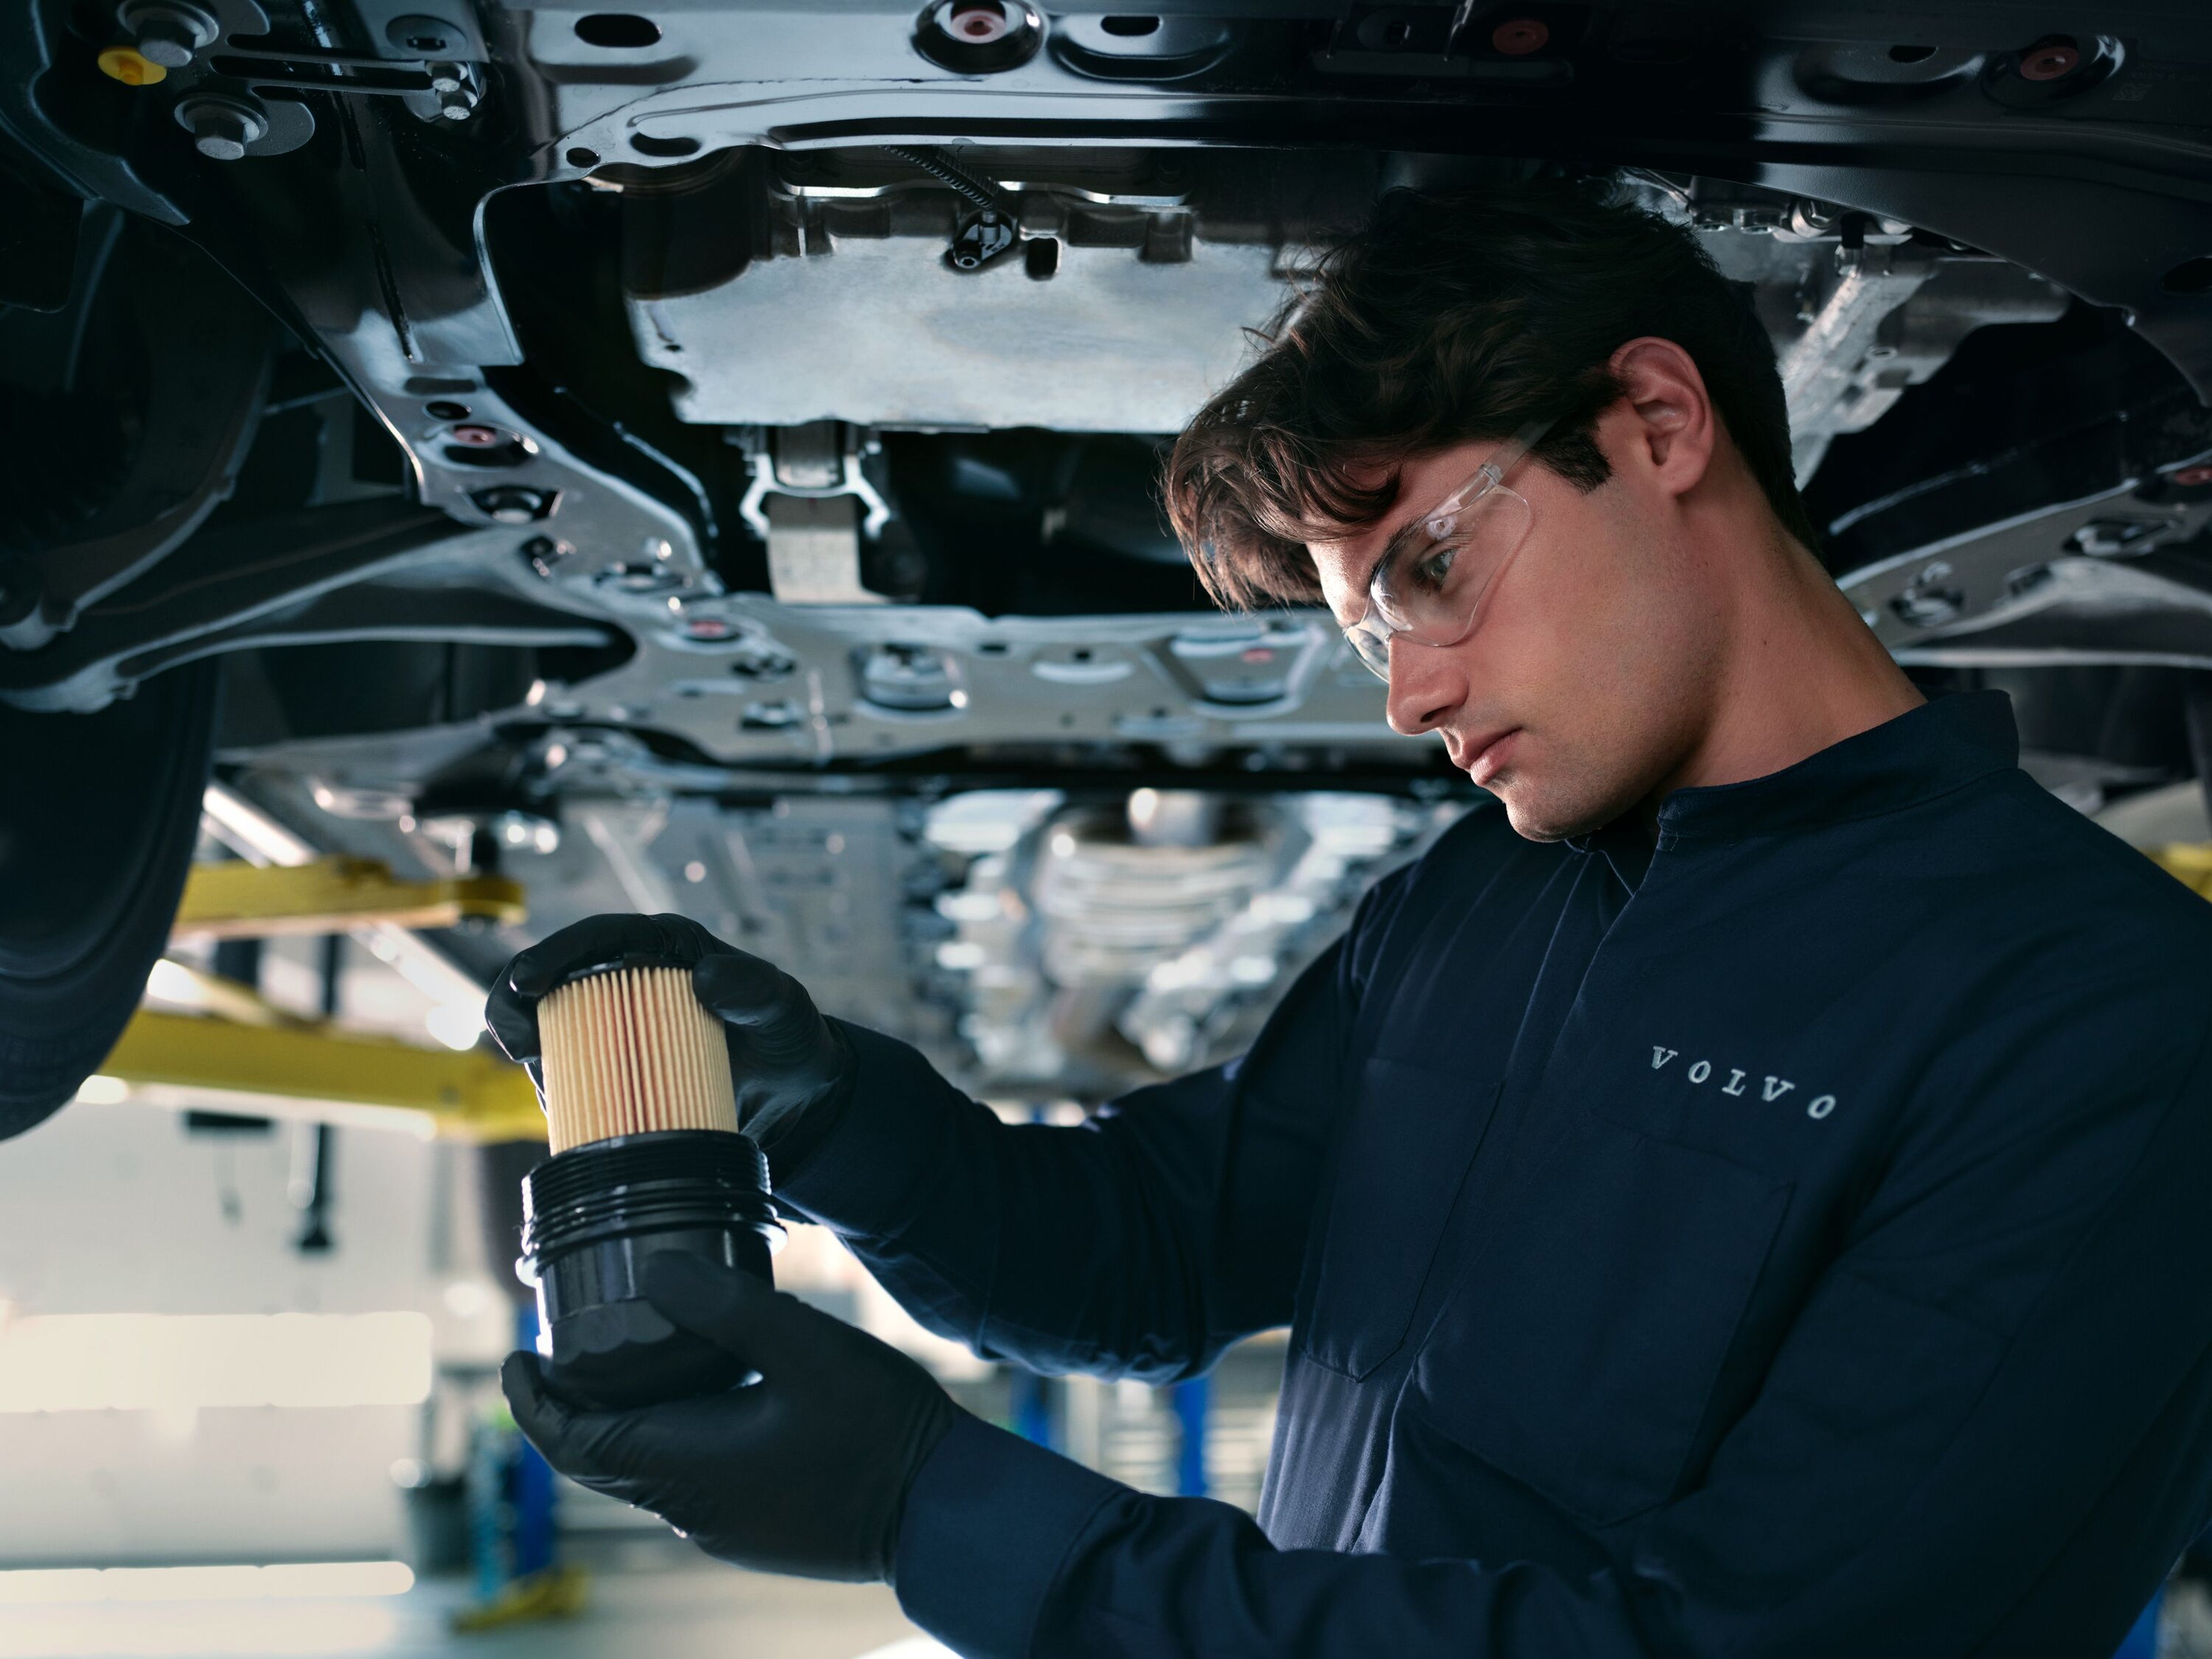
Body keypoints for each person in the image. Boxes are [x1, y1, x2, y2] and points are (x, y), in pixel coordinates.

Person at [486, 179, 2212, 1657]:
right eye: (1370, 638)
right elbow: (1159, 1249)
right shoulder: (1481, 900)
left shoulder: (2099, 1018)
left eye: (1431, 577)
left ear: (1660, 426)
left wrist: (939, 1515)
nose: (1411, 696)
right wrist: (830, 1113)